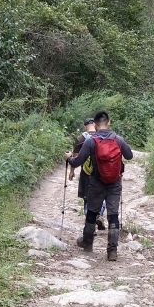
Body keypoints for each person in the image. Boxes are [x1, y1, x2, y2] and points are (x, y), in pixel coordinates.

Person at [64, 110, 133, 261]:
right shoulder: (118, 139)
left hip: (96, 182)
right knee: (113, 214)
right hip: (115, 183)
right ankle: (112, 250)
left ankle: (87, 242)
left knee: (92, 212)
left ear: (94, 125)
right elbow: (129, 156)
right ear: (108, 123)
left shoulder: (90, 141)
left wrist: (69, 158)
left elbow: (77, 162)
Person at [68, 117, 105, 230]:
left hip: (86, 173)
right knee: (101, 195)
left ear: (85, 126)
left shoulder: (81, 138)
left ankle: (90, 225)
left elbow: (75, 158)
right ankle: (99, 214)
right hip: (102, 173)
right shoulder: (103, 136)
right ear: (95, 124)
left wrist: (72, 171)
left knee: (87, 198)